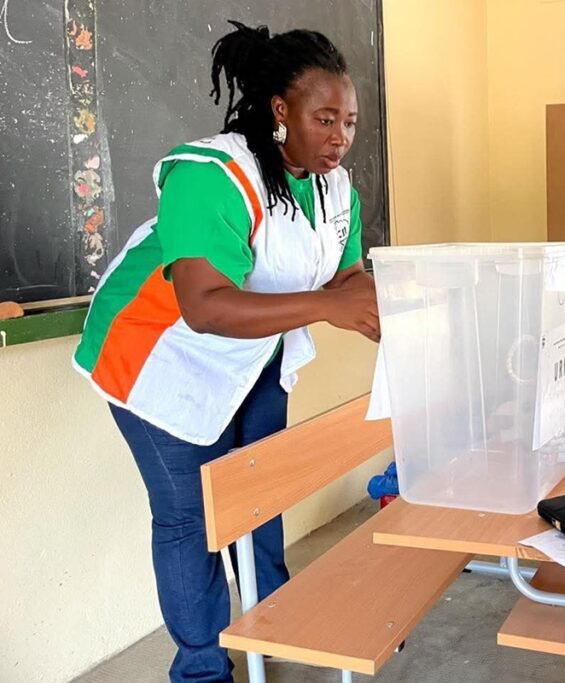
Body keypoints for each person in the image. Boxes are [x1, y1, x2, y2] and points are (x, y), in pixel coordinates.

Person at [72, 21, 378, 683]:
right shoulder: (213, 174)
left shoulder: (334, 189)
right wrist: (330, 308)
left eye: (349, 122)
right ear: (279, 110)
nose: (340, 137)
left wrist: (394, 303)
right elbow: (204, 303)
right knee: (189, 513)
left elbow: (345, 277)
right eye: (324, 119)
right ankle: (202, 667)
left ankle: (273, 621)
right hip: (157, 357)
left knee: (262, 492)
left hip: (252, 354)